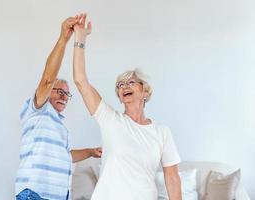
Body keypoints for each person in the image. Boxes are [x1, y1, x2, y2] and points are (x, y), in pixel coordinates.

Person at [72, 13, 182, 200]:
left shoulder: (161, 132)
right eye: (120, 85)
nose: (124, 87)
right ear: (120, 97)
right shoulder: (110, 120)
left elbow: (172, 177)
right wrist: (80, 39)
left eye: (131, 82)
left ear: (145, 92)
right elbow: (81, 80)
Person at [15, 15, 102, 200]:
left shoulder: (60, 126)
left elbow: (66, 156)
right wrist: (64, 38)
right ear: (48, 92)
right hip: (35, 193)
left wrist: (90, 152)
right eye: (58, 91)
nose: (64, 96)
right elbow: (47, 79)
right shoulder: (37, 110)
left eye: (66, 93)